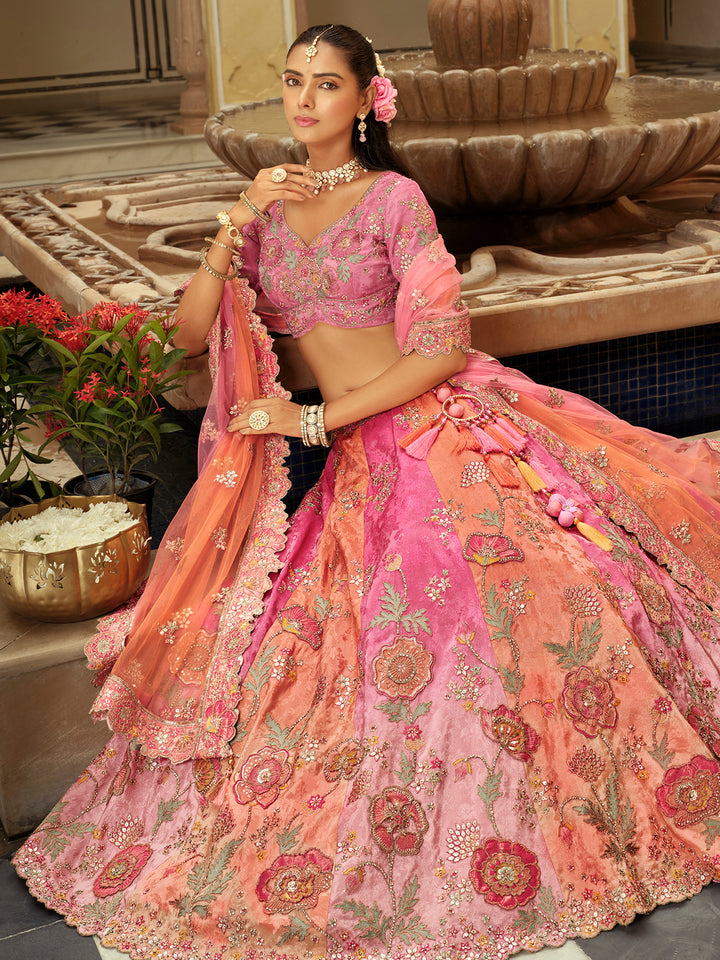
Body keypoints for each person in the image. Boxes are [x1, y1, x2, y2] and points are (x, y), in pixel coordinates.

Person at [13, 23, 720, 960]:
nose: (305, 101)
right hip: (356, 460)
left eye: (326, 85)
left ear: (365, 99)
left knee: (490, 599)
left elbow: (440, 350)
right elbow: (187, 340)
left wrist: (310, 421)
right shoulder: (260, 213)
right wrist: (232, 222)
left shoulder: (395, 200)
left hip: (436, 428)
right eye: (293, 83)